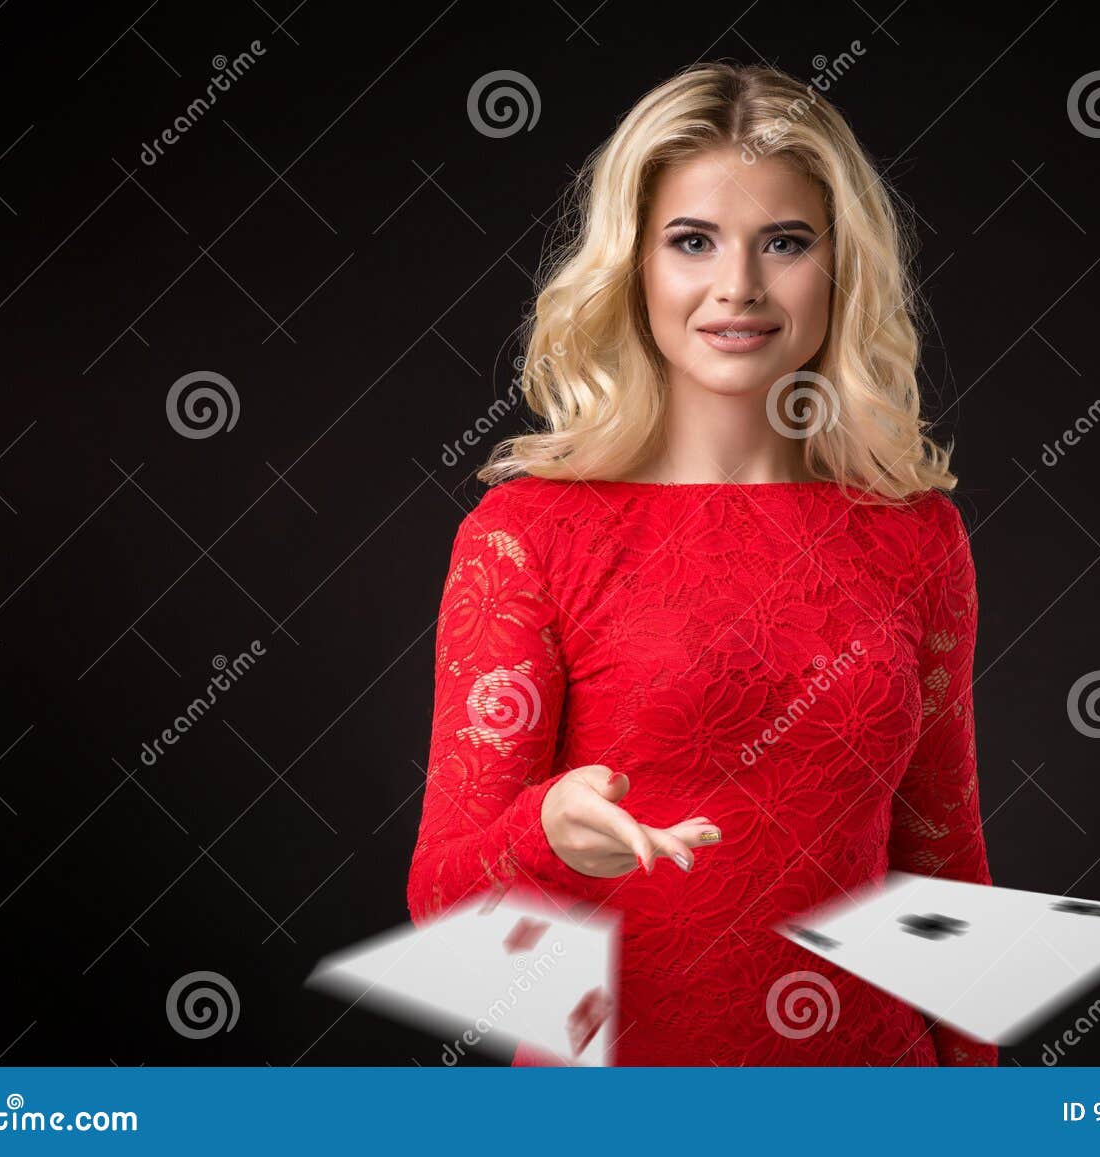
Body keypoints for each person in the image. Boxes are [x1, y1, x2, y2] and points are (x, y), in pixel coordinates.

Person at [405, 61, 996, 1066]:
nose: (739, 287)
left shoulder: (913, 533)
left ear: (839, 268)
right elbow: (441, 900)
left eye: (785, 242)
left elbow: (941, 859)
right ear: (634, 265)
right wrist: (546, 829)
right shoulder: (529, 532)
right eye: (692, 241)